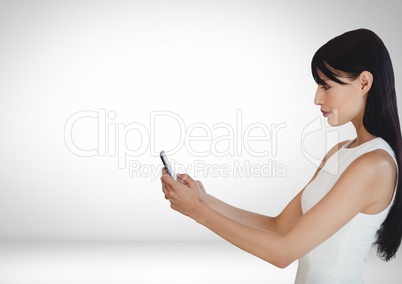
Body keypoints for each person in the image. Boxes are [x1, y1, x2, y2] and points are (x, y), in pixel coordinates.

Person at [160, 28, 402, 283]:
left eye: (325, 85)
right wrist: (205, 200)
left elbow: (283, 252)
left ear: (364, 82)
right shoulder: (340, 151)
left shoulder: (376, 166)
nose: (317, 98)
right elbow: (280, 226)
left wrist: (197, 211)